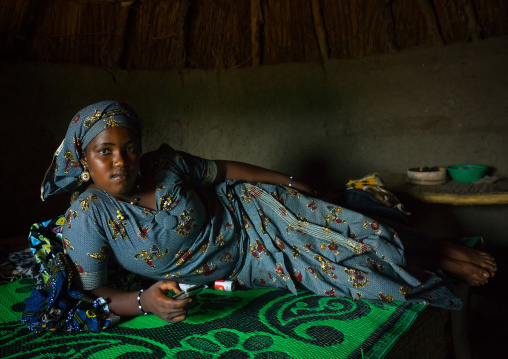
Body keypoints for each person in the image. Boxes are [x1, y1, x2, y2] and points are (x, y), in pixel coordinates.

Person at [41, 100, 497, 324]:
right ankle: (429, 262)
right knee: (348, 272)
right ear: (83, 160)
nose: (120, 161)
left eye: (129, 149)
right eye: (105, 152)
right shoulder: (88, 217)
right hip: (250, 262)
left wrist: (288, 181)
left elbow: (222, 171)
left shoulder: (166, 166)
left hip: (255, 209)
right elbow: (90, 293)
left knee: (353, 226)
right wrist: (143, 303)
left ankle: (435, 249)